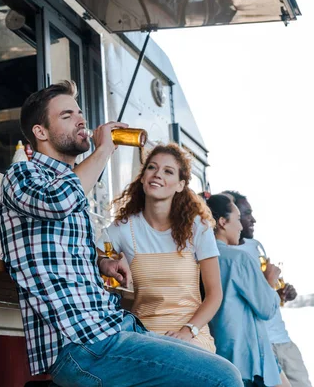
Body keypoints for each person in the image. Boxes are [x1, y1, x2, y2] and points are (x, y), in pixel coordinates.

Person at [0, 81, 243, 387]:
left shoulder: (73, 186)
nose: (81, 120)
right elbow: (58, 202)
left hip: (113, 329)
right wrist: (103, 150)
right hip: (83, 344)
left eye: (80, 112)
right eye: (67, 115)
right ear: (41, 132)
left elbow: (58, 252)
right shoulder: (22, 175)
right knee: (224, 379)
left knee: (221, 368)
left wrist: (102, 264)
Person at [98, 143, 221, 352]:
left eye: (168, 171)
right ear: (143, 177)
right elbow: (87, 253)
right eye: (152, 168)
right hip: (144, 335)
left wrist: (187, 331)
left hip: (191, 334)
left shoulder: (197, 227)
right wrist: (103, 262)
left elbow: (215, 295)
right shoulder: (125, 227)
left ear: (180, 185)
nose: (157, 174)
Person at [223, 191, 312, 387]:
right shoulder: (227, 255)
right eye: (245, 214)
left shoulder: (256, 247)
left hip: (282, 339)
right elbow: (251, 302)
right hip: (259, 345)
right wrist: (268, 283)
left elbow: (269, 288)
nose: (252, 219)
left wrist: (282, 292)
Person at [207, 194, 284, 387]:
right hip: (248, 362)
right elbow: (266, 309)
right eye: (237, 219)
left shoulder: (197, 258)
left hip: (215, 355)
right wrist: (270, 281)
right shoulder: (238, 259)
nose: (241, 226)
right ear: (223, 222)